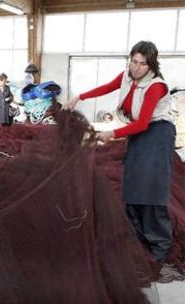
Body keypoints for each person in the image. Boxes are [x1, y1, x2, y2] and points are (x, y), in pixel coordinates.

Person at [63, 41, 176, 277]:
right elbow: (106, 88)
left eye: (142, 64)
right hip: (138, 133)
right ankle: (138, 241)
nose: (136, 68)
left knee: (152, 190)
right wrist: (79, 97)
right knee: (132, 185)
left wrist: (110, 133)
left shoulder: (156, 86)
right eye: (133, 62)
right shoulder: (126, 76)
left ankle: (160, 250)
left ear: (151, 64)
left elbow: (143, 123)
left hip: (157, 133)